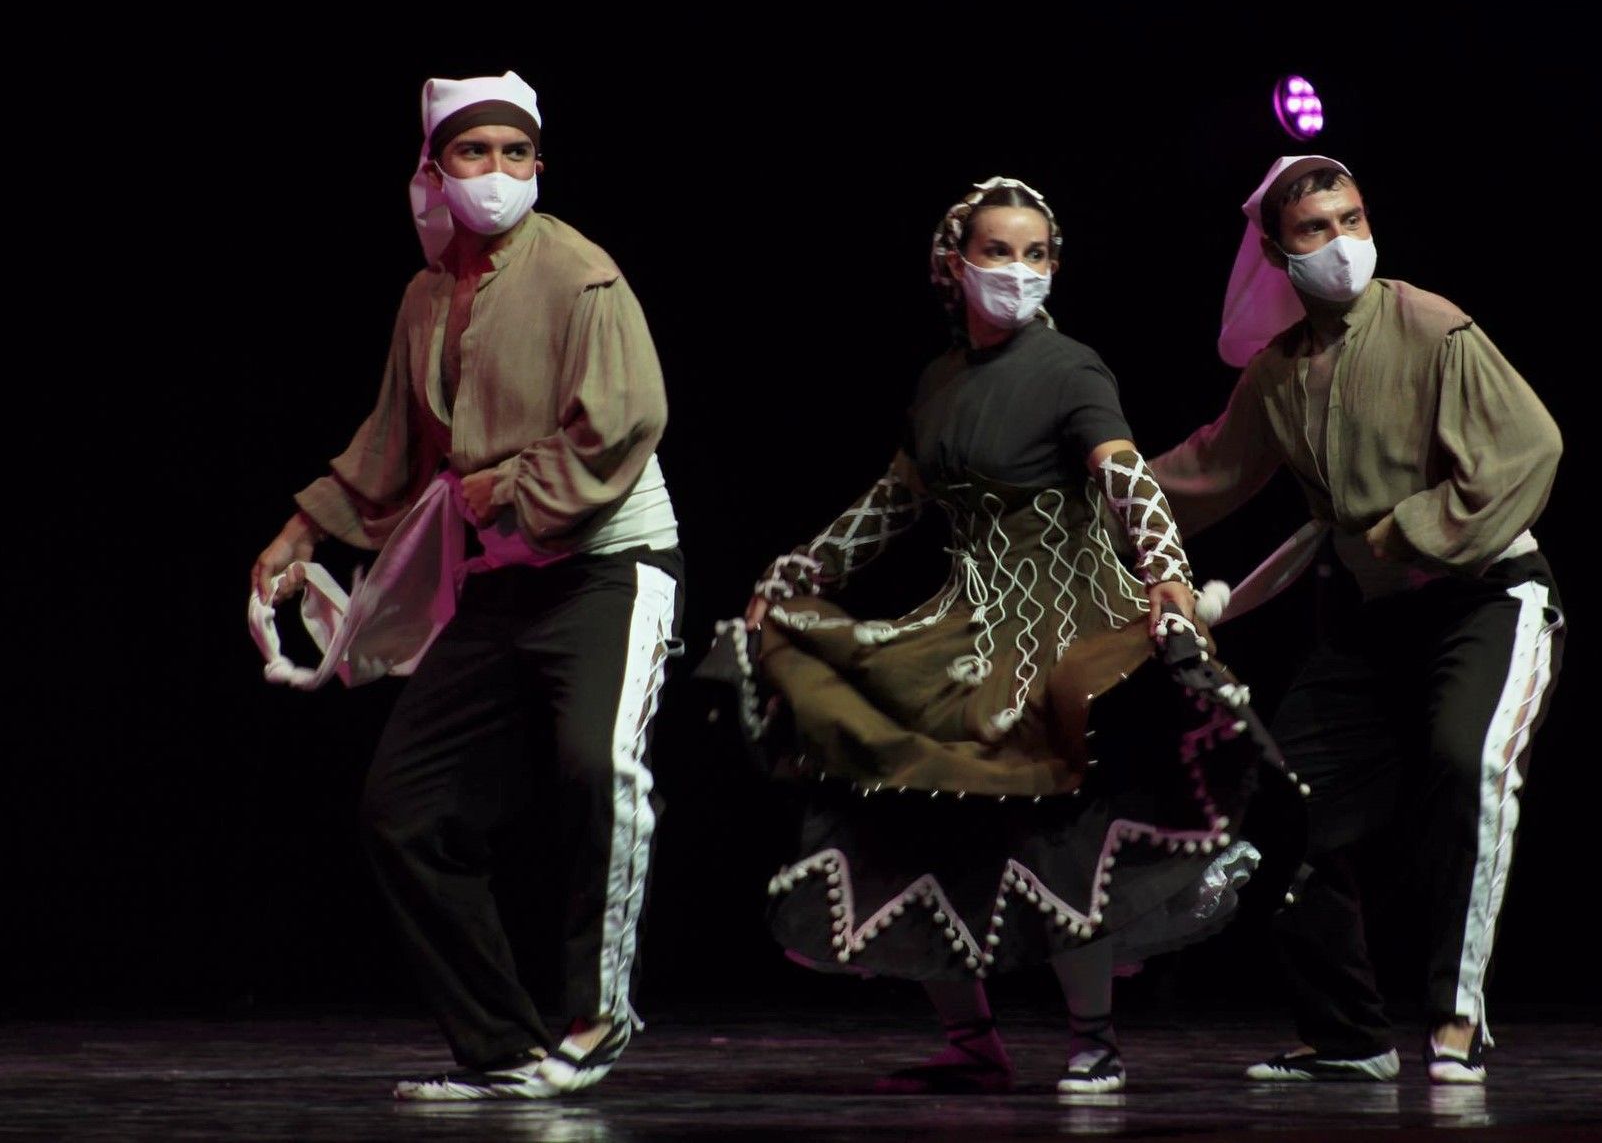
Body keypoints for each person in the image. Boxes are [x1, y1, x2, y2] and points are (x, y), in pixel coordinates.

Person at [728, 176, 1263, 1095]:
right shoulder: (939, 381)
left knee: (1055, 830)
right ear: (953, 263)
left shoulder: (1070, 368)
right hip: (967, 623)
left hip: (1068, 619)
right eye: (998, 252)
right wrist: (797, 573)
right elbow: (895, 502)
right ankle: (972, 1041)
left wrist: (1166, 571)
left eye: (1036, 254)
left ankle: (1094, 1037)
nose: (1019, 271)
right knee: (897, 807)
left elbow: (1124, 478)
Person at [249, 70, 683, 1101]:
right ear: (435, 172)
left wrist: (512, 487)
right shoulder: (428, 292)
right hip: (504, 583)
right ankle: (500, 1046)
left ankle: (597, 1018)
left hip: (609, 570)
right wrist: (304, 523)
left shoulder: (580, 274)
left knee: (599, 773)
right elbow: (397, 438)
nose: (495, 174)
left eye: (514, 154)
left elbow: (624, 419)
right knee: (405, 807)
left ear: (539, 164)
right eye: (473, 155)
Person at [1149, 154, 1565, 1085]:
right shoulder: (1281, 371)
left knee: (1472, 764)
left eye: (1352, 219)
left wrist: (1403, 531)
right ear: (1275, 249)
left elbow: (1530, 448)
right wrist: (1095, 489)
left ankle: (1457, 1017)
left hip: (1487, 600)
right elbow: (1205, 474)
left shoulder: (1431, 324)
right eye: (1314, 230)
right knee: (1286, 798)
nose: (1342, 243)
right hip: (1378, 623)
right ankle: (1347, 1034)